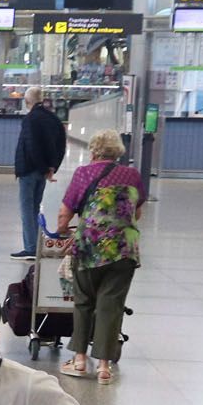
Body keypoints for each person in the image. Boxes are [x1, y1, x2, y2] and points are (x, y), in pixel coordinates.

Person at [54, 130, 145, 386]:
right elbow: (136, 213)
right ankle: (104, 368)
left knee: (84, 301)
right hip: (124, 249)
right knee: (111, 305)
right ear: (118, 153)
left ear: (93, 151)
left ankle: (80, 361)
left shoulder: (84, 173)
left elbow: (64, 215)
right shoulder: (132, 175)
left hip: (89, 247)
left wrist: (64, 230)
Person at [11, 88, 65, 259]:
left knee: (27, 209)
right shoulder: (53, 119)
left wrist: (42, 168)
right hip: (43, 172)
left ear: (28, 102)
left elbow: (31, 146)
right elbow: (61, 144)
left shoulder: (30, 119)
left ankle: (31, 248)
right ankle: (36, 246)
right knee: (35, 207)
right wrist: (52, 167)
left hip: (29, 169)